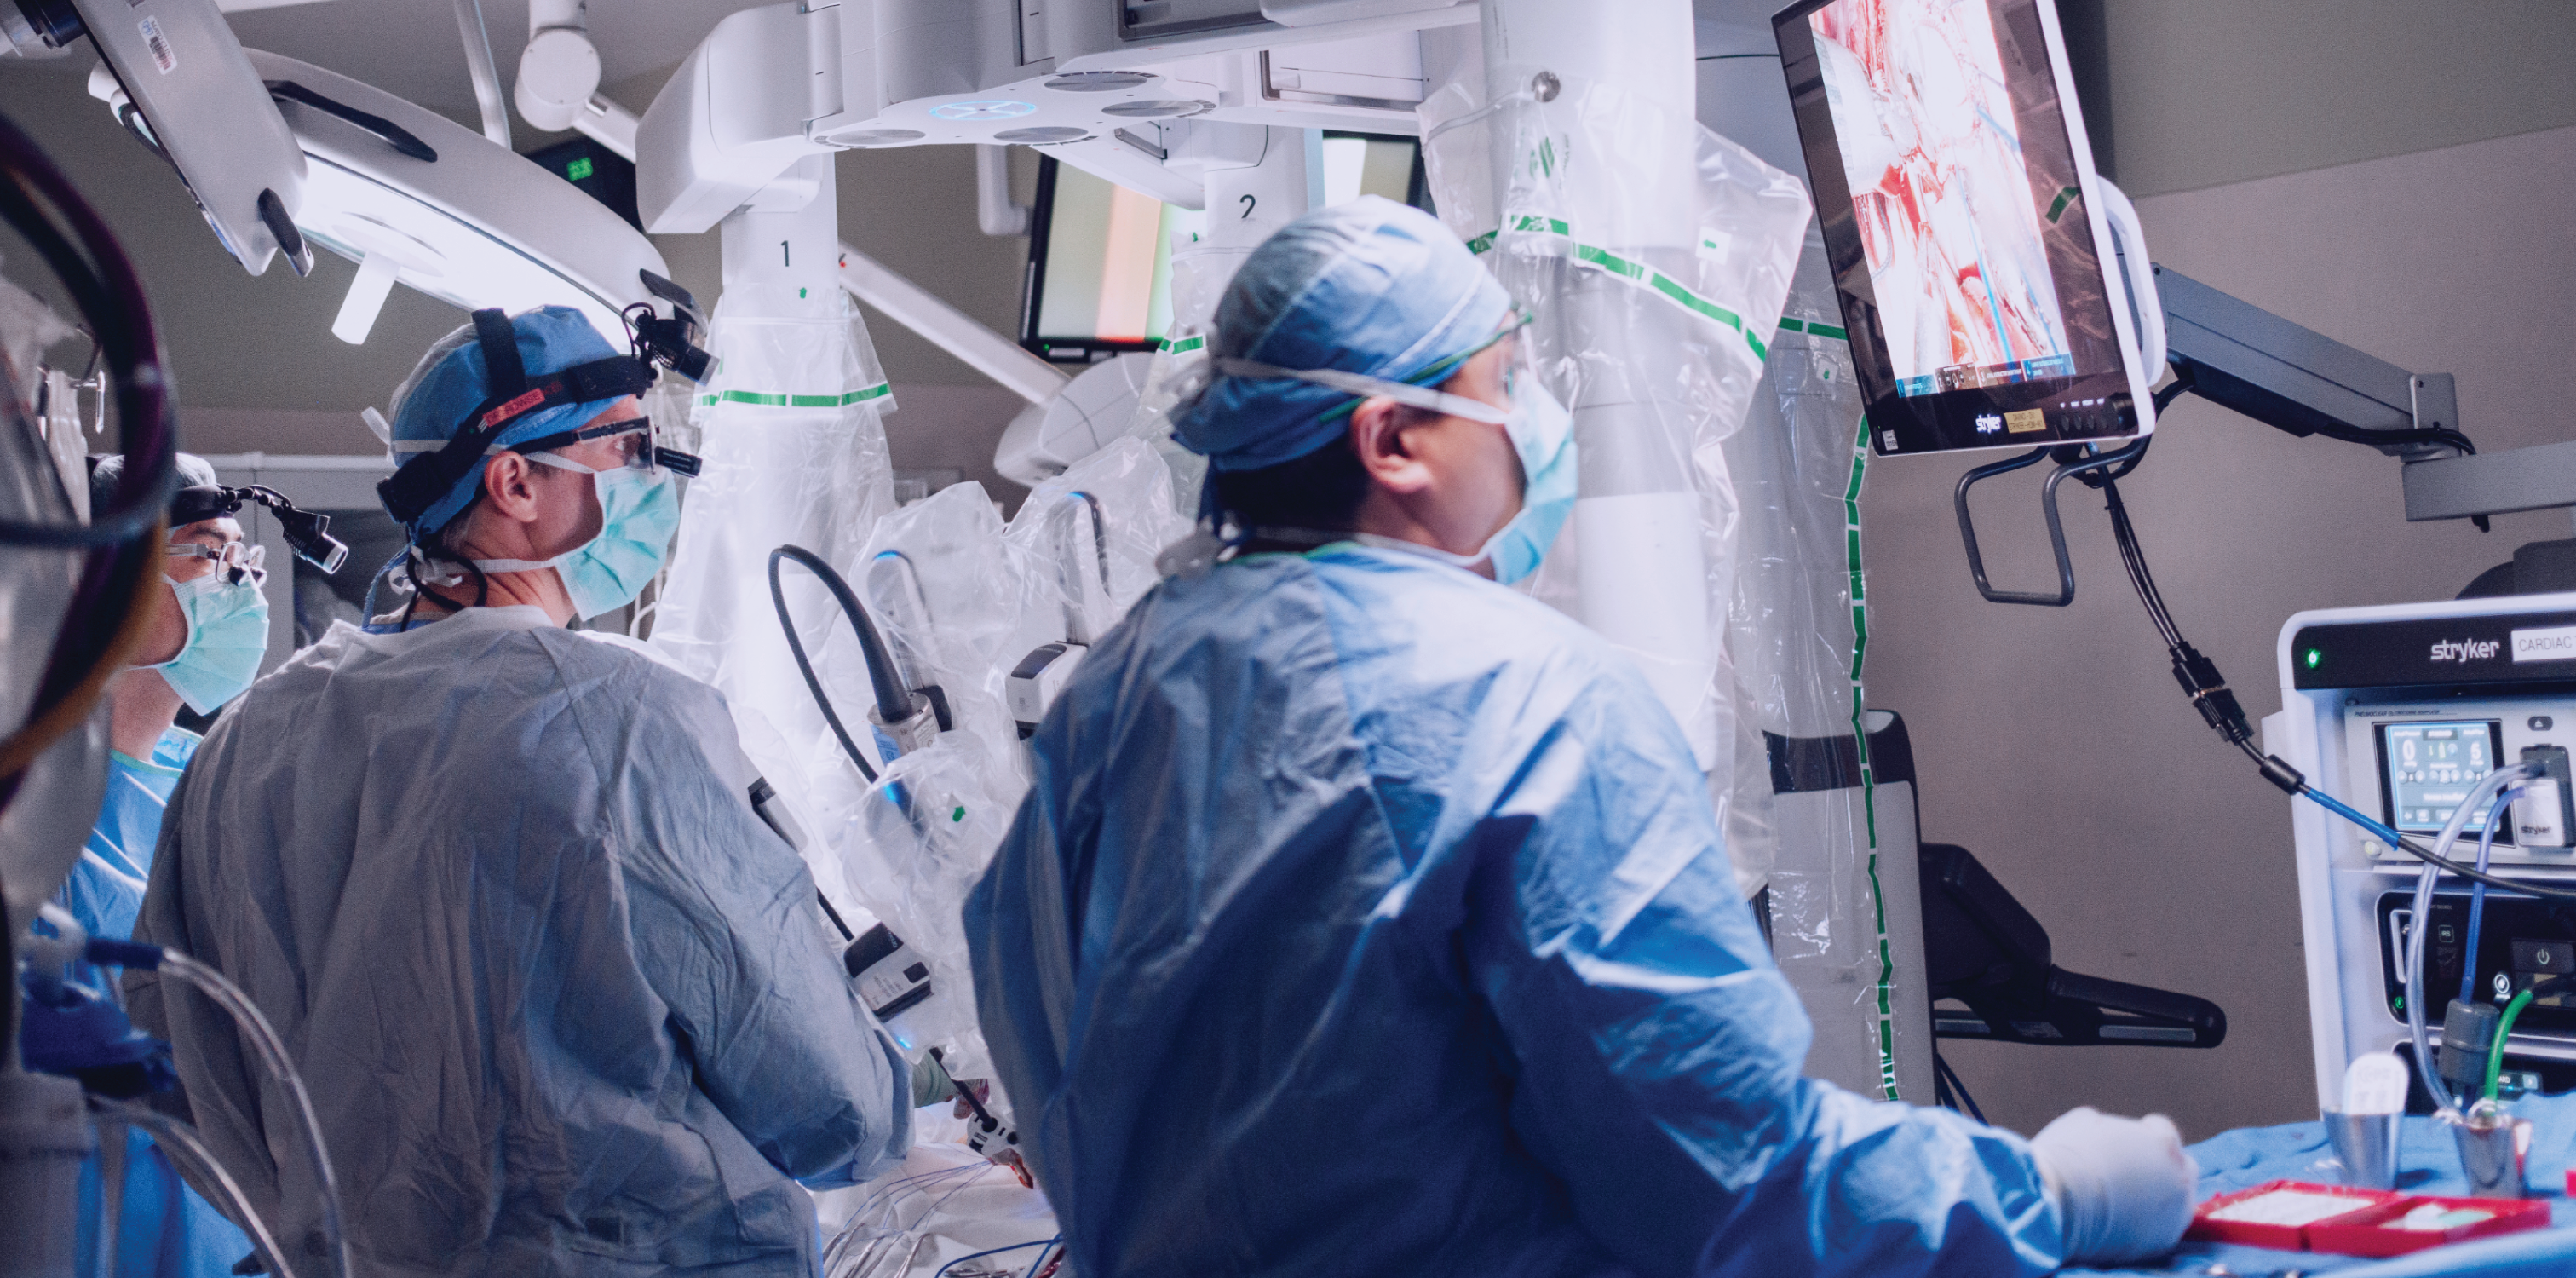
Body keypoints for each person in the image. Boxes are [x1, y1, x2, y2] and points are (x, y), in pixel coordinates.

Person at [965, 197, 2195, 1276]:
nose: (1530, 427)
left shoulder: (1115, 694)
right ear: (1391, 442)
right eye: (1497, 387)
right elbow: (1731, 1186)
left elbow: (1042, 1044)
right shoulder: (1522, 703)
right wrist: (2060, 1194)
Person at [128, 306, 913, 1277]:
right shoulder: (618, 724)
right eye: (628, 445)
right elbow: (836, 1112)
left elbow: (182, 1072)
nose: (653, 480)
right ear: (514, 480)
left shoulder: (244, 745)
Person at [38, 452, 259, 1278]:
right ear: (101, 584)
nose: (239, 584)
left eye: (243, 558)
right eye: (209, 553)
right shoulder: (33, 802)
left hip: (229, 1231)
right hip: (79, 1228)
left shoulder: (215, 776)